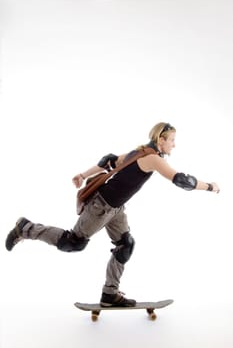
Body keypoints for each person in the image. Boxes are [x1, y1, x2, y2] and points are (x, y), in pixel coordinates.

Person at [5, 122, 220, 307]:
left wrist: (82, 175)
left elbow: (108, 161)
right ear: (161, 139)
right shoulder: (153, 157)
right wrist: (210, 186)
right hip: (102, 206)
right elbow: (182, 180)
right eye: (172, 140)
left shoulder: (140, 151)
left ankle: (109, 293)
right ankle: (25, 228)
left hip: (116, 209)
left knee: (125, 244)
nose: (174, 144)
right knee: (73, 243)